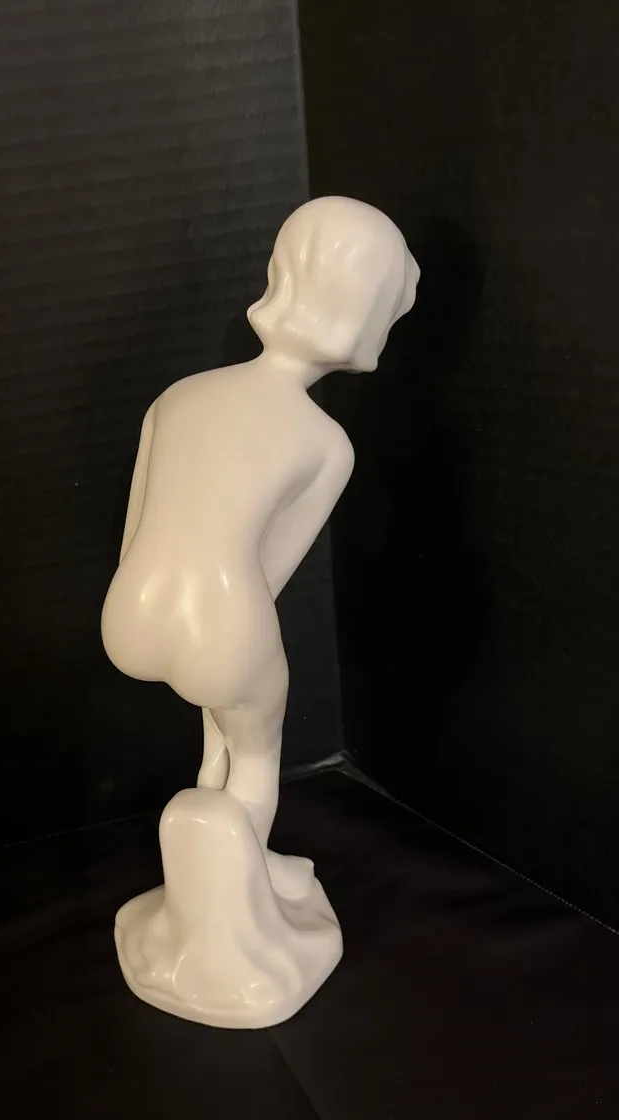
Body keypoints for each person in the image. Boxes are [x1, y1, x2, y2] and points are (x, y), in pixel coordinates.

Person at [102, 197, 419, 862]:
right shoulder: (327, 444)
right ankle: (240, 882)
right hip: (225, 625)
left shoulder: (180, 395)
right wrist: (229, 652)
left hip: (129, 611)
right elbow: (270, 573)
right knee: (252, 751)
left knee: (215, 720)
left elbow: (137, 522)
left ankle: (201, 877)